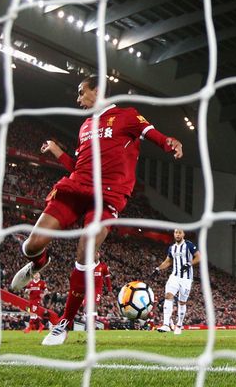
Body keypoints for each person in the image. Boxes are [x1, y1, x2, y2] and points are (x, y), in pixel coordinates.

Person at [10, 74, 183, 346]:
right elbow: (80, 167)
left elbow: (152, 134)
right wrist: (57, 151)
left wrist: (169, 143)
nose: (78, 99)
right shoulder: (86, 126)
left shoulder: (127, 116)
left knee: (85, 249)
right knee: (31, 245)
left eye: (82, 92)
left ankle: (63, 324)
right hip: (77, 186)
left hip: (109, 194)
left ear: (98, 90)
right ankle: (39, 262)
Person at [153, 229, 200, 335]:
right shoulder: (172, 248)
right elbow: (168, 261)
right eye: (176, 233)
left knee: (182, 302)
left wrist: (188, 264)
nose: (178, 235)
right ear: (174, 234)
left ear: (183, 234)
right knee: (168, 296)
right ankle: (166, 325)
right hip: (174, 277)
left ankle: (179, 324)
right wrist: (158, 269)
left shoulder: (189, 245)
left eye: (180, 233)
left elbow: (198, 257)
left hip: (186, 279)